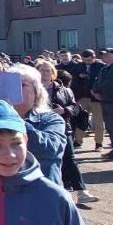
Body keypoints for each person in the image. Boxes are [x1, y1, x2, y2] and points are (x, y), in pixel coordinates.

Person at [39, 62, 97, 205]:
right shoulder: (32, 89)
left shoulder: (64, 90)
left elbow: (75, 107)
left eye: (48, 70)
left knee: (70, 159)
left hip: (63, 128)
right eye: (42, 70)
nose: (45, 73)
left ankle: (82, 191)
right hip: (41, 129)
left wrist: (64, 110)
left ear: (53, 73)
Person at [10, 64, 69, 188]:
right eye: (9, 85)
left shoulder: (50, 119)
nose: (14, 90)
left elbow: (50, 149)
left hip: (43, 192)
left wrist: (13, 120)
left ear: (37, 92)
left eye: (22, 85)